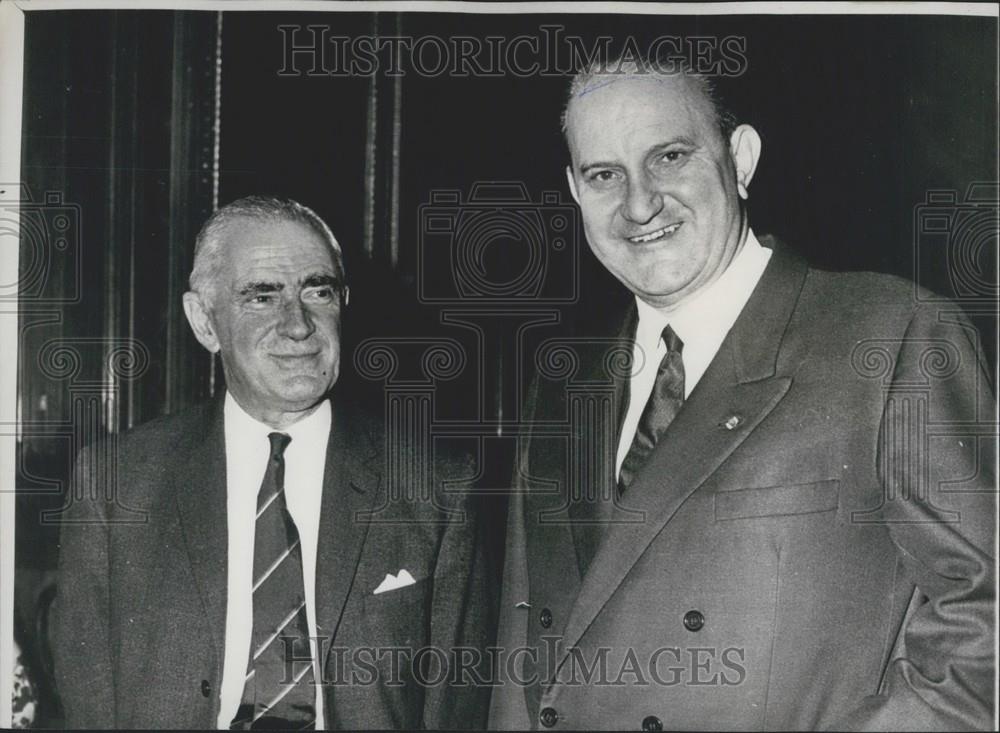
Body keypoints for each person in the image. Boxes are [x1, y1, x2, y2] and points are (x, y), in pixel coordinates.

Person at [489, 60, 996, 731]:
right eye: (603, 174)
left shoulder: (888, 334)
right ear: (575, 192)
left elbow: (984, 622)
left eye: (669, 156)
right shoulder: (562, 383)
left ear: (741, 159)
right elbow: (520, 659)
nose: (639, 203)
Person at [51, 196, 493, 729]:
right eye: (262, 297)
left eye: (318, 291)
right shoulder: (116, 482)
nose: (299, 325)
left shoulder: (436, 485)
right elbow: (88, 699)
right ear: (204, 322)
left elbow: (456, 707)